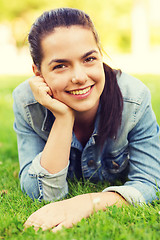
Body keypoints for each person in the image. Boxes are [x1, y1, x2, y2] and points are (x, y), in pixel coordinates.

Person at [13, 8, 160, 232]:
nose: (80, 77)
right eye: (60, 65)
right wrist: (63, 117)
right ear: (38, 73)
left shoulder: (134, 99)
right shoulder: (27, 102)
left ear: (100, 56)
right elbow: (40, 193)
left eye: (89, 59)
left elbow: (151, 183)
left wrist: (87, 203)